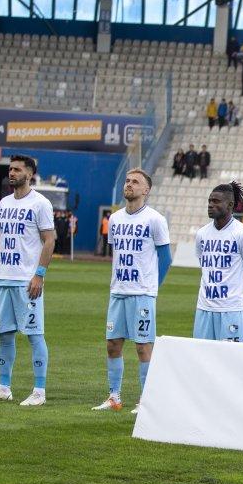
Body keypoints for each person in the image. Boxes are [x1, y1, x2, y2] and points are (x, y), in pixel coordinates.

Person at [0, 154, 55, 407]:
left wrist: (39, 274)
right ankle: (4, 387)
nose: (11, 173)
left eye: (17, 170)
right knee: (4, 335)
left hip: (27, 281)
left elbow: (50, 239)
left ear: (30, 174)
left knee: (34, 335)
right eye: (10, 169)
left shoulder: (40, 204)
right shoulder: (3, 203)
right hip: (4, 279)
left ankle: (39, 391)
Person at [96, 169, 171, 413]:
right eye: (127, 181)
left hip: (142, 295)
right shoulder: (115, 219)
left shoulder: (155, 220)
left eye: (135, 182)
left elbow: (165, 258)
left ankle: (146, 401)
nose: (129, 185)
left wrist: (152, 288)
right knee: (113, 344)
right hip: (118, 292)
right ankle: (114, 397)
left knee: (142, 347)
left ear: (146, 190)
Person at [194, 182, 243, 342]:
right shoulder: (202, 234)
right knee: (201, 361)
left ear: (230, 205)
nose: (210, 205)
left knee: (232, 362)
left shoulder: (242, 234)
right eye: (210, 201)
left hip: (231, 309)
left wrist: (237, 292)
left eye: (216, 201)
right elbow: (204, 264)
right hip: (204, 308)